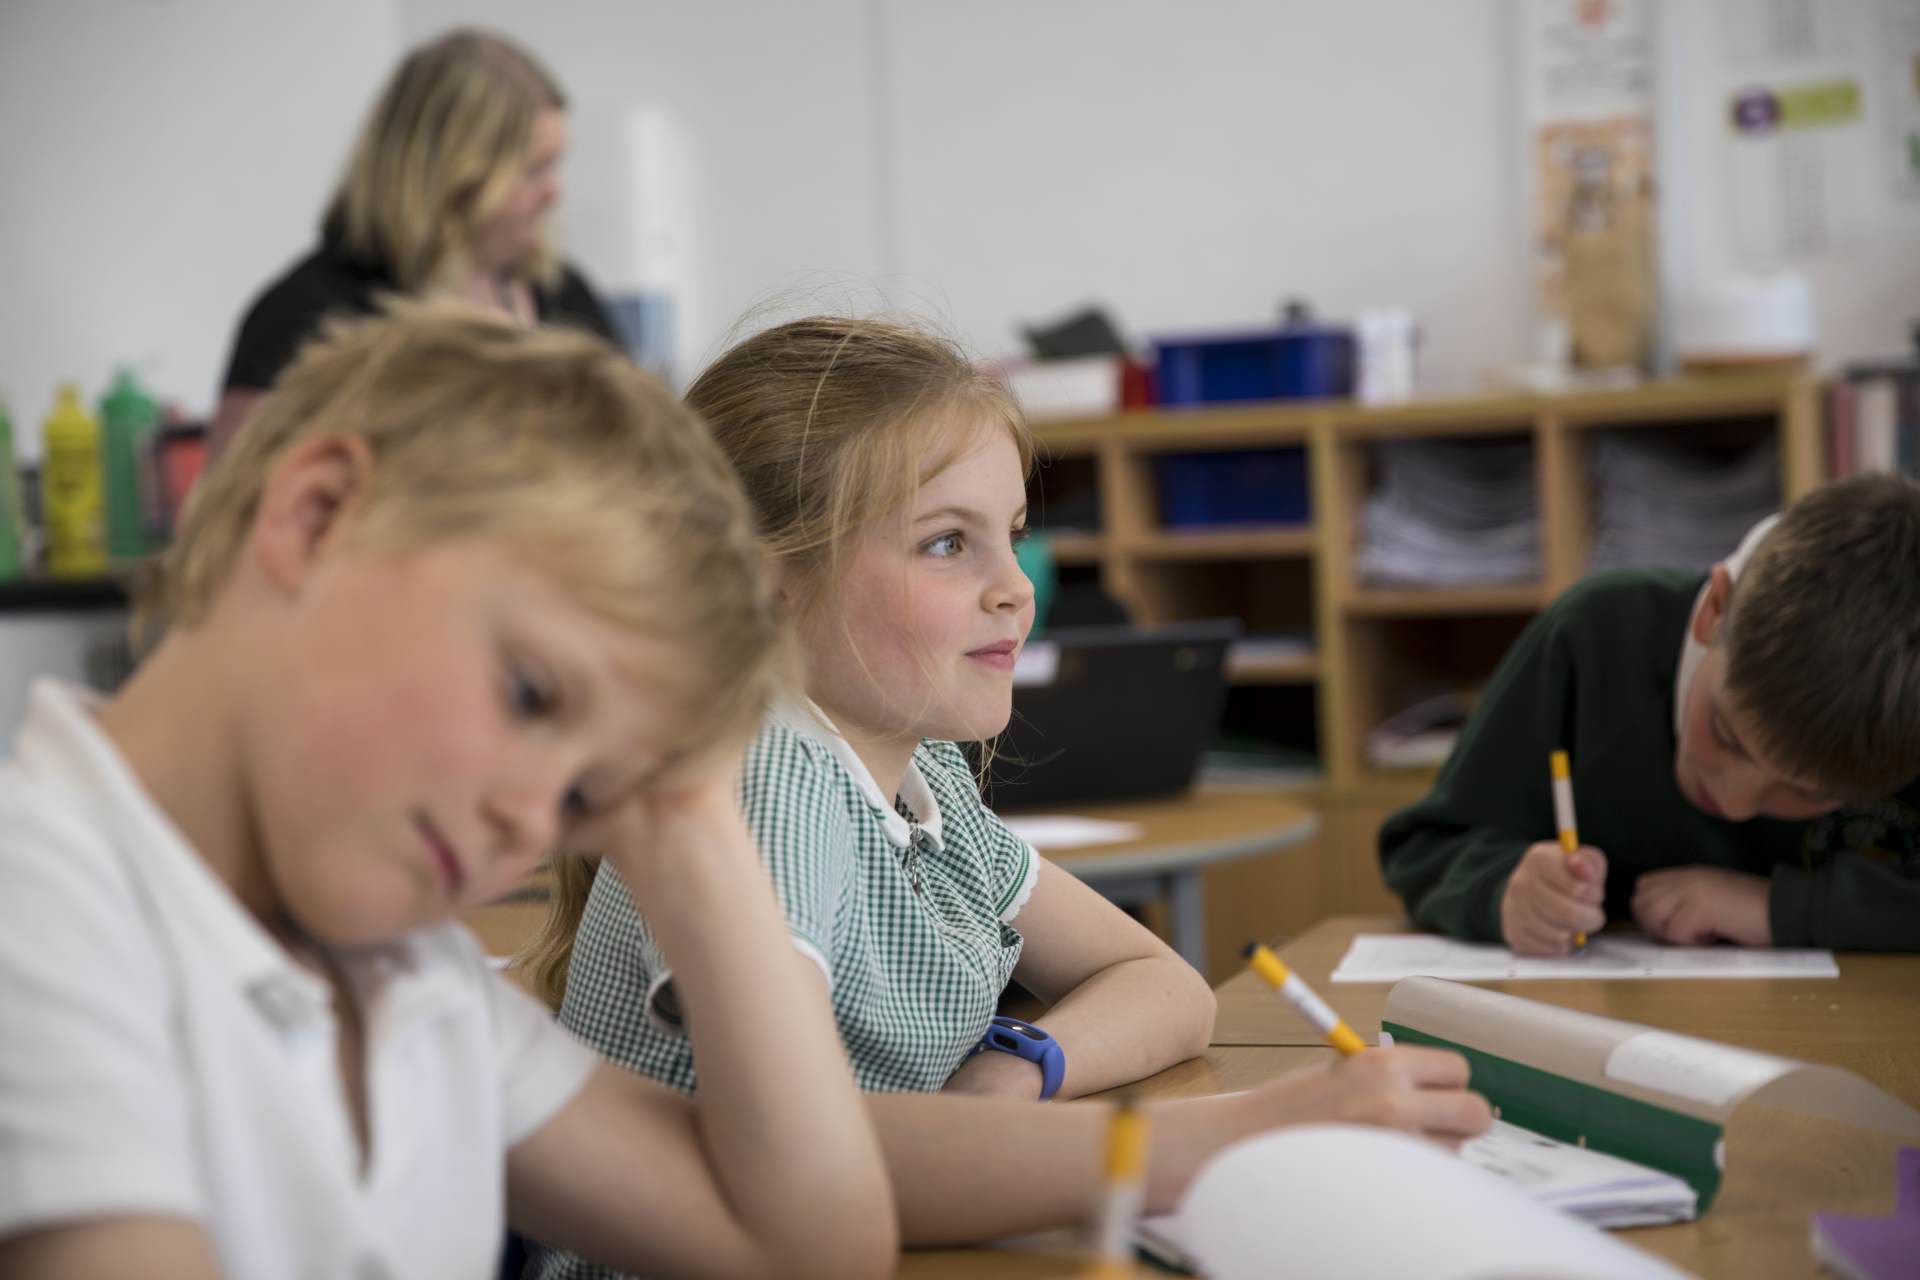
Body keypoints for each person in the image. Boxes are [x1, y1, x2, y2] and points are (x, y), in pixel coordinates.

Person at [525, 316, 1492, 1274]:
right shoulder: (766, 773)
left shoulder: (923, 774)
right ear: (764, 584)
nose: (1016, 588)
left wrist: (1017, 1066)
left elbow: (1165, 987)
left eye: (1016, 536)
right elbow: (814, 1168)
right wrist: (1245, 1131)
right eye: (948, 543)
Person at [0, 303, 895, 1280]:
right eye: (530, 694)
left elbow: (812, 1245)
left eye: (580, 799)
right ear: (318, 515)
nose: (529, 821)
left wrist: (683, 816)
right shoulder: (40, 898)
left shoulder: (408, 970)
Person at [1379, 473, 1920, 955]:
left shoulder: (1905, 706)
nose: (1734, 803)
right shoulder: (1592, 639)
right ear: (1714, 611)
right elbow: (1425, 848)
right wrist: (1503, 888)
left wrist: (1779, 908)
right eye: (1726, 735)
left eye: (1805, 792)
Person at [210, 29, 616, 454]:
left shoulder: (563, 295)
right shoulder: (303, 315)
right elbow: (240, 493)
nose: (553, 193)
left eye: (554, 166)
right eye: (530, 171)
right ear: (447, 172)